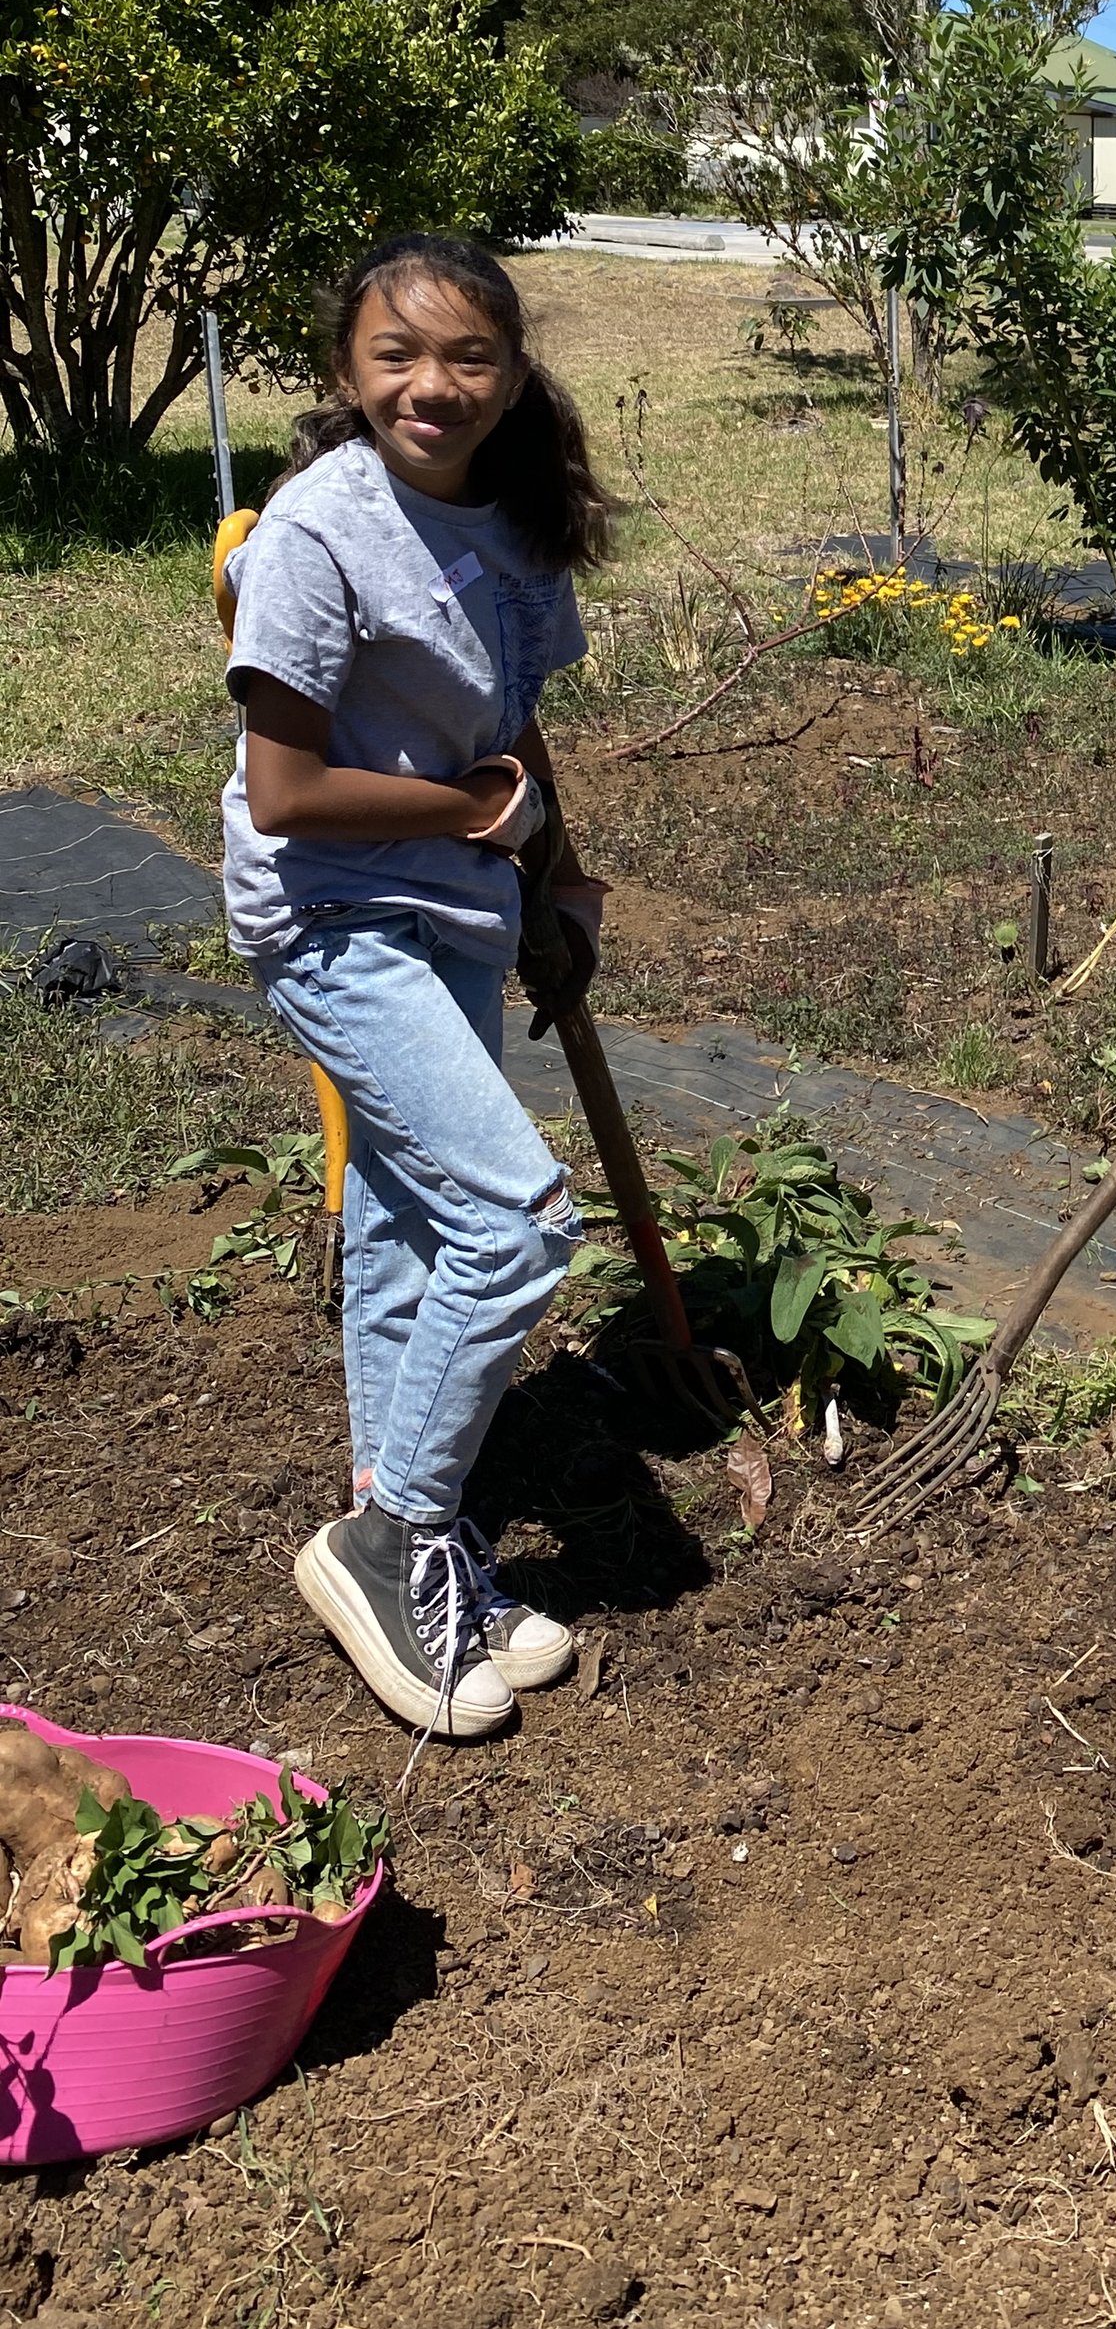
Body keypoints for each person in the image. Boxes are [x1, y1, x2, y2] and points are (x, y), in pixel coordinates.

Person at [221, 234, 610, 1742]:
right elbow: (288, 790)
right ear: (347, 370)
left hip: (458, 905)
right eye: (398, 356)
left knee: (404, 1232)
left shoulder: (510, 523)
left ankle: (419, 1545)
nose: (431, 387)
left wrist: (554, 878)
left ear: (512, 377)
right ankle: (386, 1542)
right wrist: (477, 820)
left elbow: (513, 731)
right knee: (516, 1223)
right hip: (332, 916)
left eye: (467, 358)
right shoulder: (317, 535)